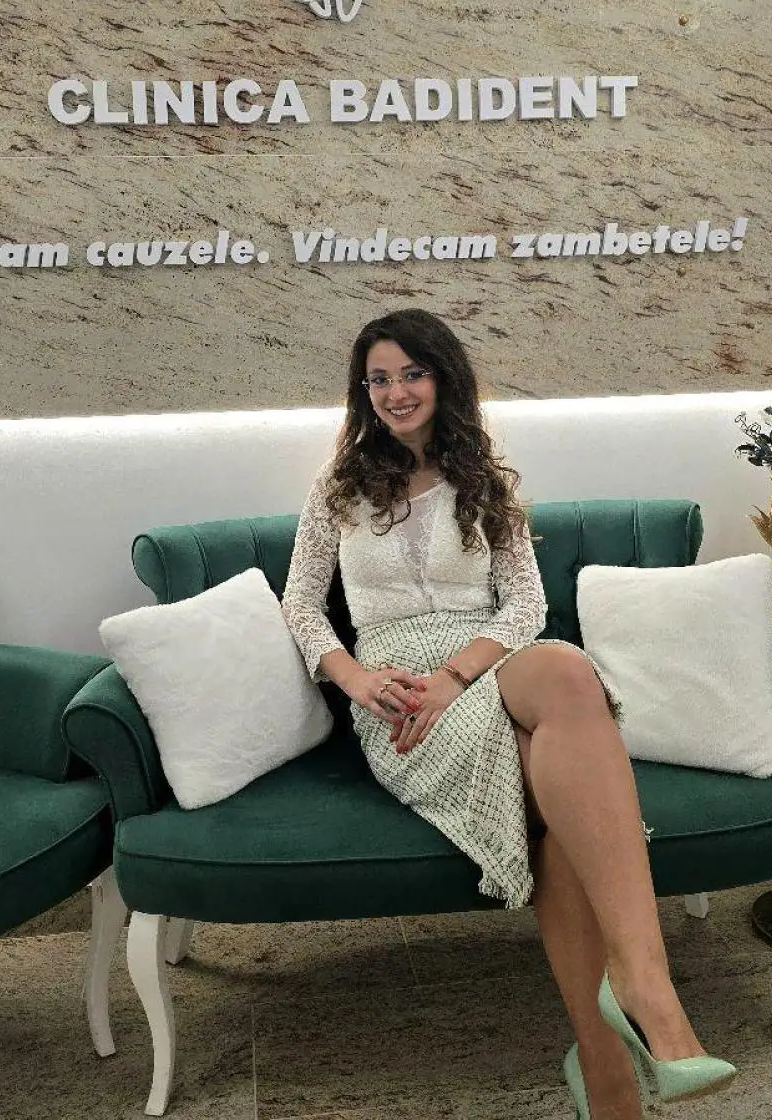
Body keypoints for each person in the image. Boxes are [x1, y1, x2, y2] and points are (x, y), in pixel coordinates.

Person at [281, 309, 735, 1120]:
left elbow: (526, 604)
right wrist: (354, 679)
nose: (395, 392)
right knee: (558, 818)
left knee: (565, 669)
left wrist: (459, 674)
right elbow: (302, 606)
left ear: (444, 378)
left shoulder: (485, 479)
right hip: (402, 697)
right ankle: (618, 1052)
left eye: (412, 373)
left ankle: (641, 991)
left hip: (482, 662)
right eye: (378, 379)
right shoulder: (339, 486)